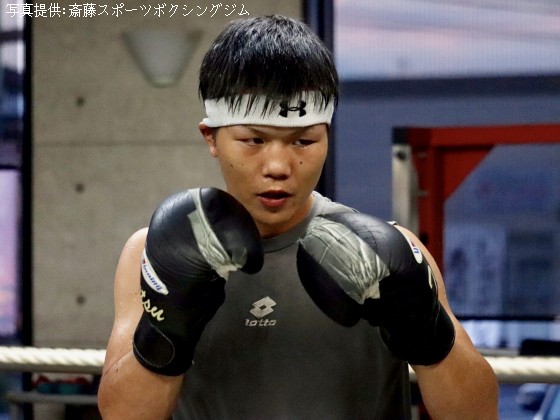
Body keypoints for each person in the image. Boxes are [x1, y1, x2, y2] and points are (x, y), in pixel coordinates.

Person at [98, 15, 499, 419]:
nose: (278, 166)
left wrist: (426, 328)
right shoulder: (150, 254)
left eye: (304, 141)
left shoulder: (392, 253)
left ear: (327, 136)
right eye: (253, 140)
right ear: (211, 138)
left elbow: (478, 414)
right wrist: (166, 329)